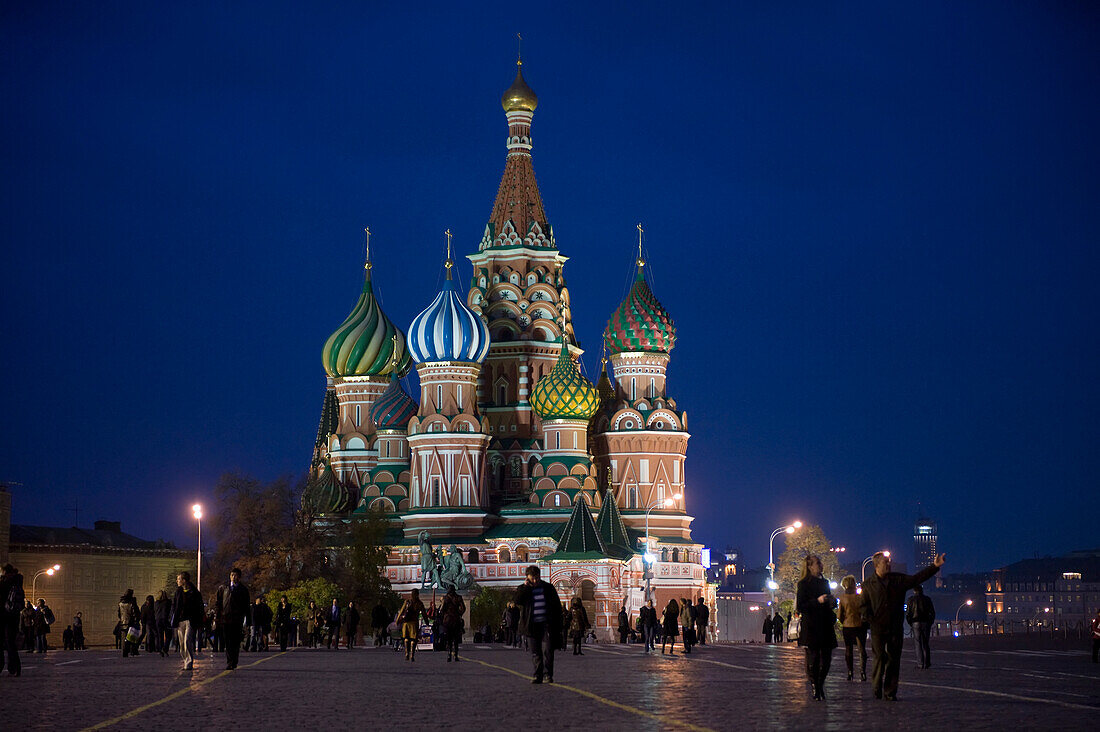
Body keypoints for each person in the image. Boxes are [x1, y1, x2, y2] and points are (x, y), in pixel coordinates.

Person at [861, 551, 946, 701]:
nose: (888, 564)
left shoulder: (898, 580)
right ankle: (876, 687)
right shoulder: (868, 584)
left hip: (895, 627)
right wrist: (871, 620)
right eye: (885, 562)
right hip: (878, 628)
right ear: (876, 565)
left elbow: (916, 578)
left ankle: (890, 691)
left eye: (889, 562)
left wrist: (934, 567)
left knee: (894, 659)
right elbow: (863, 606)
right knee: (879, 658)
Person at [796, 555, 838, 700]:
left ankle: (820, 683)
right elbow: (800, 606)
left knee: (826, 659)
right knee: (813, 658)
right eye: (817, 563)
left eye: (820, 562)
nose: (820, 565)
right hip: (812, 625)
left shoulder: (825, 582)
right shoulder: (803, 584)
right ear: (810, 566)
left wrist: (832, 601)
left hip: (825, 624)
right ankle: (815, 685)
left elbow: (831, 604)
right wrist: (817, 601)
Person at [513, 565, 563, 684]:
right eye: (532, 579)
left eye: (537, 578)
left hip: (547, 624)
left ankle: (548, 675)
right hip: (531, 624)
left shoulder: (548, 588)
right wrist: (526, 587)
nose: (535, 581)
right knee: (535, 652)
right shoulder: (523, 589)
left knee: (549, 650)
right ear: (527, 578)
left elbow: (557, 607)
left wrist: (559, 624)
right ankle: (537, 675)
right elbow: (517, 601)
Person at [215, 567, 251, 670]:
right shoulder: (223, 588)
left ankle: (234, 660)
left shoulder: (243, 590)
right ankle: (229, 661)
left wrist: (248, 620)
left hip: (237, 619)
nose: (233, 577)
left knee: (235, 641)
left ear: (239, 577)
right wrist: (217, 617)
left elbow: (246, 606)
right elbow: (218, 603)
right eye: (231, 575)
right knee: (227, 641)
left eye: (235, 575)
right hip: (226, 618)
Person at [170, 570, 204, 671]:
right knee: (181, 643)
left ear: (184, 580)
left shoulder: (195, 592)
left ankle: (189, 662)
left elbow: (200, 607)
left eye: (179, 579)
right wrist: (173, 617)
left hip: (190, 620)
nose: (177, 581)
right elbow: (175, 605)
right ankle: (185, 659)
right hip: (180, 620)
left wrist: (199, 620)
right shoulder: (178, 591)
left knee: (187, 640)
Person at [838, 575, 867, 681]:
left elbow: (839, 615)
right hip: (860, 625)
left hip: (847, 625)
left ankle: (850, 672)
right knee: (862, 649)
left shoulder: (843, 598)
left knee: (848, 649)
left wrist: (844, 621)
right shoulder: (860, 597)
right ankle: (863, 672)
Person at [1, 564, 24, 676]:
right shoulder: (18, 583)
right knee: (11, 644)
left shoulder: (5, 582)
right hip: (14, 617)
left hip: (4, 616)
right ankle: (15, 667)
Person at [906, 584, 936, 669]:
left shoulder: (911, 600)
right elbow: (932, 612)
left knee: (918, 643)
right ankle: (927, 663)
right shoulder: (927, 599)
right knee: (925, 643)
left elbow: (908, 613)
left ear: (914, 591)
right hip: (926, 622)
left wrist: (910, 623)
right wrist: (930, 622)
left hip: (915, 622)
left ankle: (920, 663)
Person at [395, 589, 427, 662]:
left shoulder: (407, 601)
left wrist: (397, 620)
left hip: (406, 622)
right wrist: (427, 622)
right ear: (418, 594)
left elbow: (402, 611)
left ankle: (406, 654)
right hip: (414, 622)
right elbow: (424, 614)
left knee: (406, 638)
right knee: (413, 639)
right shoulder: (419, 603)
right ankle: (412, 655)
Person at [439, 588, 466, 662]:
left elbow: (442, 610)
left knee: (449, 638)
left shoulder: (446, 598)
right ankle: (456, 655)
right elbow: (463, 608)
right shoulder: (459, 597)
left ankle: (449, 655)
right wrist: (459, 614)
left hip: (448, 619)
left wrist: (443, 616)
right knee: (456, 638)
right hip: (456, 618)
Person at [118, 589, 140, 657]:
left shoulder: (120, 603)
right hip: (131, 622)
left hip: (123, 622)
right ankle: (133, 651)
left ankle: (124, 652)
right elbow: (134, 612)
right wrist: (136, 620)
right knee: (132, 637)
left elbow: (119, 614)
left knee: (124, 638)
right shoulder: (132, 602)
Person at [154, 592, 172, 656]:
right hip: (166, 620)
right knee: (168, 635)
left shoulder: (156, 603)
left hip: (158, 620)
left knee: (160, 635)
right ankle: (165, 648)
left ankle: (161, 648)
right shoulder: (168, 602)